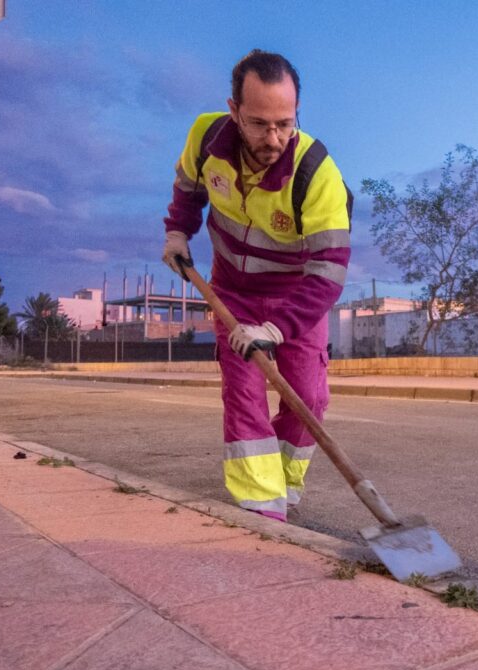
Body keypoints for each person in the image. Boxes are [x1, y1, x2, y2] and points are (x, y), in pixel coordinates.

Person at [162, 50, 351, 521]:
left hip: (297, 297)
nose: (273, 139)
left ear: (297, 112)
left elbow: (330, 270)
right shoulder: (206, 137)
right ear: (234, 111)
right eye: (259, 124)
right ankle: (263, 510)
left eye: (285, 124)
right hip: (233, 292)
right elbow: (188, 187)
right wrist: (177, 231)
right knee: (244, 392)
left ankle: (284, 485)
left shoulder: (316, 172)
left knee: (308, 397)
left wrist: (277, 328)